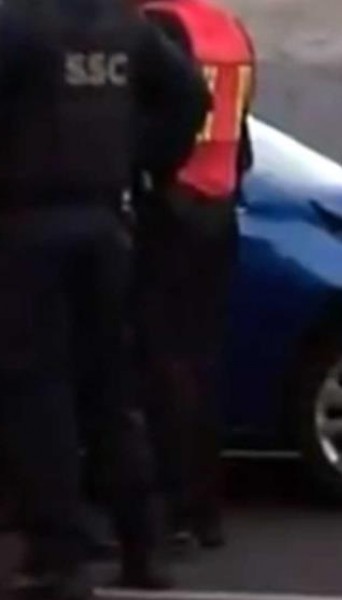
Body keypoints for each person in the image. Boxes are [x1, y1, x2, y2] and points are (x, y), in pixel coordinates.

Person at [0, 0, 210, 597]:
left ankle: (57, 556)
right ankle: (142, 547)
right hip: (105, 221)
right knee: (112, 391)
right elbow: (190, 98)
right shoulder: (126, 27)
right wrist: (144, 162)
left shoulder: (17, 24)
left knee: (38, 393)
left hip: (27, 224)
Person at [132, 0, 256, 551]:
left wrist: (149, 175)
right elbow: (243, 135)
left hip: (170, 205)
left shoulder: (157, 25)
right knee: (202, 365)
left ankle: (173, 511)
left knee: (161, 365)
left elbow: (156, 114)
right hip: (219, 207)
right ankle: (204, 512)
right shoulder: (230, 28)